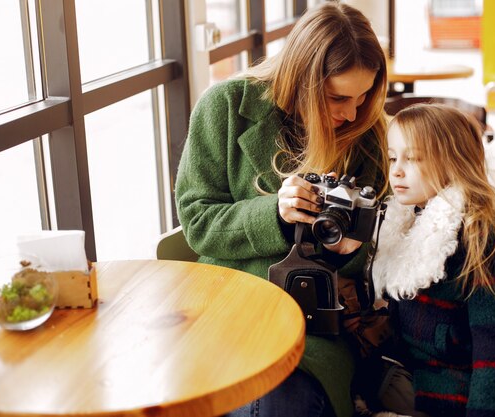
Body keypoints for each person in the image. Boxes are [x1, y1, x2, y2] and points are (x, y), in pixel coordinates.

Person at [174, 3, 390, 417]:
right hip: (227, 307)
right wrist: (274, 213)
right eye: (337, 97)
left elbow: (371, 252)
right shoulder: (225, 107)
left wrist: (348, 248)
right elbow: (197, 222)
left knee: (278, 404)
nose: (352, 113)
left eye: (364, 97)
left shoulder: (365, 132)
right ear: (302, 78)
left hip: (313, 325)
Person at [367, 104, 495, 417]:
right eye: (394, 157)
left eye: (413, 158)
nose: (396, 170)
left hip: (467, 392)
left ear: (453, 161)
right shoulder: (408, 222)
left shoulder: (487, 235)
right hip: (416, 375)